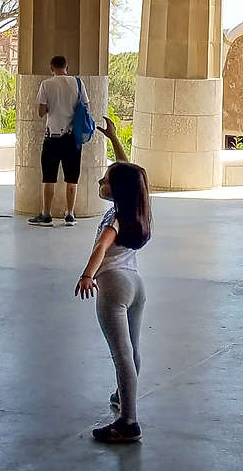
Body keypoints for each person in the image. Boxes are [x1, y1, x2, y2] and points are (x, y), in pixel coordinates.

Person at [75, 161, 152, 444]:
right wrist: (115, 139)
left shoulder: (114, 219)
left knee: (121, 355)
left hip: (113, 285)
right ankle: (123, 396)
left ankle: (128, 422)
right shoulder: (137, 210)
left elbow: (101, 247)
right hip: (136, 283)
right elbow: (134, 172)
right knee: (132, 351)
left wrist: (87, 275)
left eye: (106, 180)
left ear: (118, 188)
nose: (100, 182)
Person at [29, 55, 89, 227]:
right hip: (72, 139)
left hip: (52, 138)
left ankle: (46, 214)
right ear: (66, 67)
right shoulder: (78, 83)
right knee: (72, 177)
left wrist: (51, 107)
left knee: (48, 177)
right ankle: (70, 214)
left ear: (51, 68)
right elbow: (86, 106)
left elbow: (41, 111)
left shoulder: (47, 84)